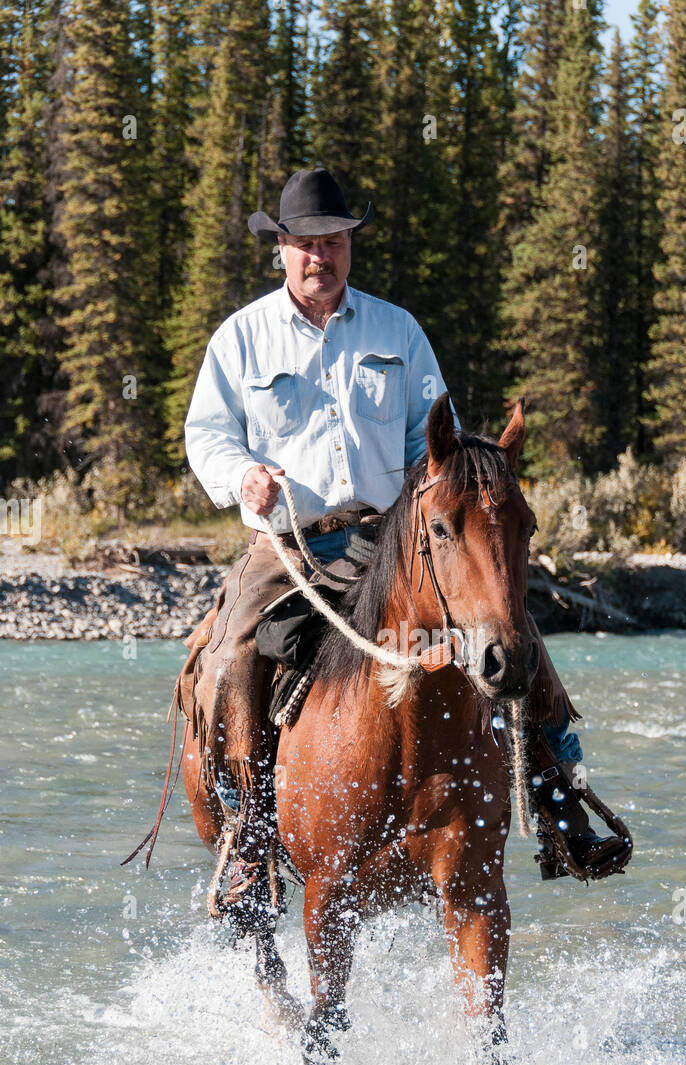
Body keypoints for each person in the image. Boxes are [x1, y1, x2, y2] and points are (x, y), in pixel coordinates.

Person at [182, 166, 630, 903]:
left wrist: (457, 485)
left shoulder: (397, 330)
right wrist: (241, 479)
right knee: (230, 652)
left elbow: (436, 438)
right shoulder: (241, 339)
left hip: (390, 538)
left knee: (511, 633)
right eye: (305, 244)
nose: (320, 257)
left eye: (333, 242)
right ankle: (245, 835)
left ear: (348, 247)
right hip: (288, 547)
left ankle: (563, 802)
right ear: (282, 250)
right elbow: (206, 435)